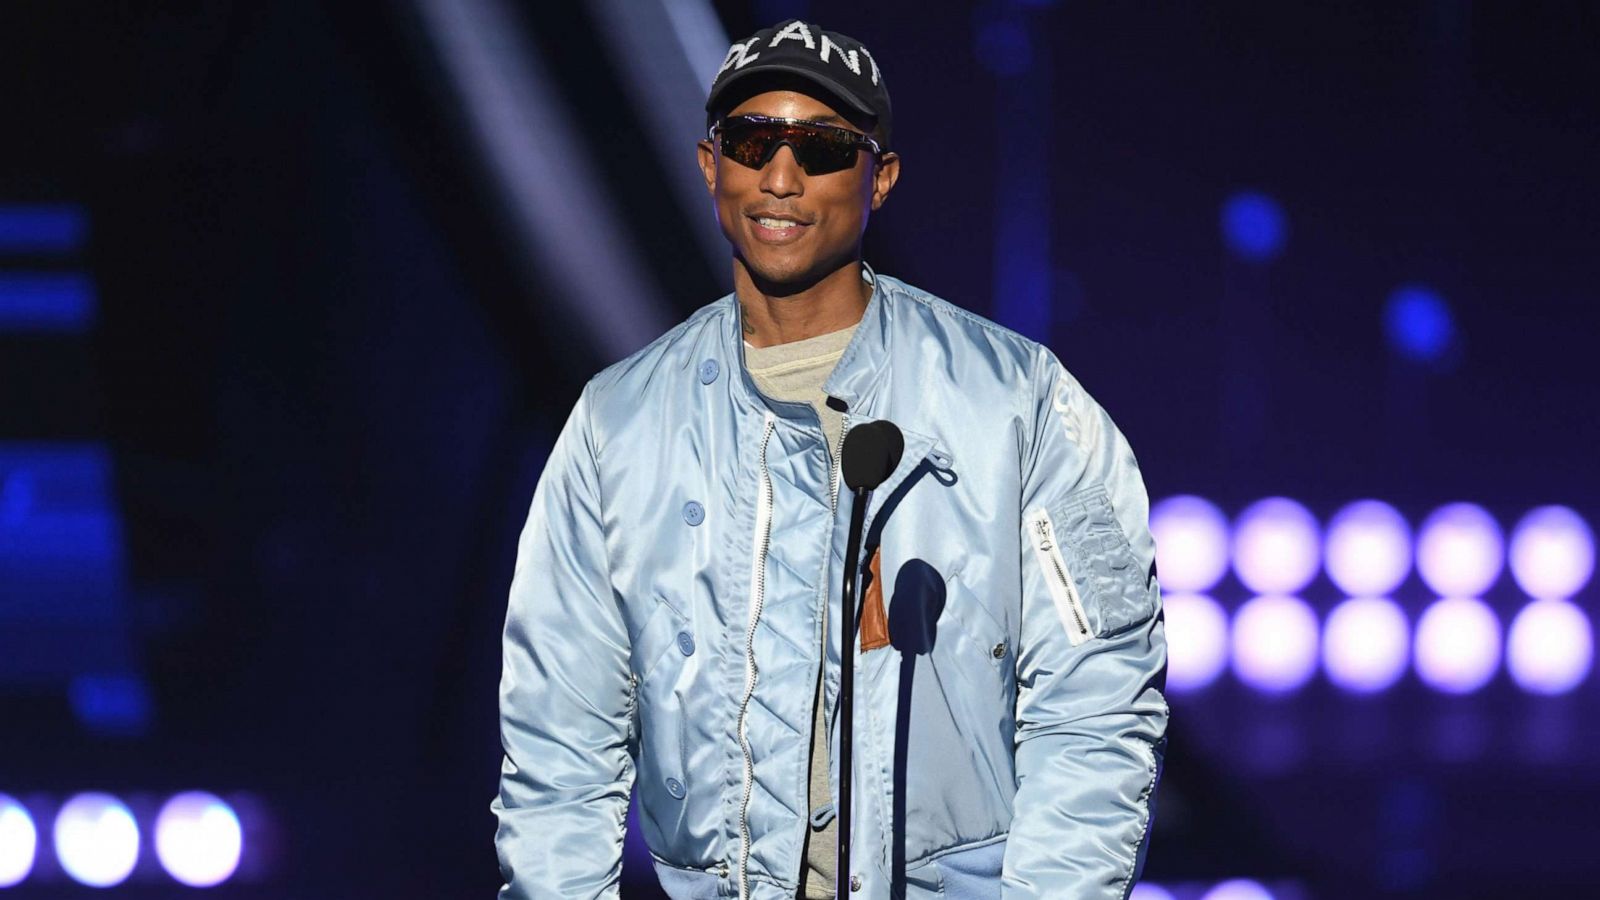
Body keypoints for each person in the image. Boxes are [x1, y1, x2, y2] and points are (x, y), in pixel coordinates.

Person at [492, 18, 1168, 900]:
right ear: (709, 166)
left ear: (878, 178)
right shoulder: (618, 425)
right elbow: (559, 745)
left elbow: (1097, 703)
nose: (779, 178)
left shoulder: (1018, 403)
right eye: (751, 142)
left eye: (818, 150)